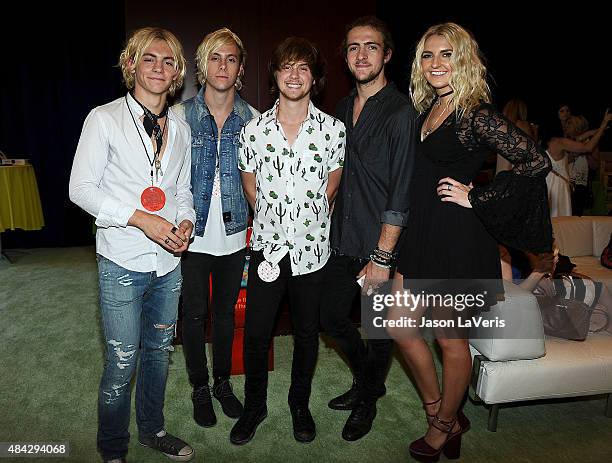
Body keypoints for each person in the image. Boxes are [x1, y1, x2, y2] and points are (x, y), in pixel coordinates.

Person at [389, 23, 552, 462]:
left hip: (459, 238)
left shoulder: (476, 113)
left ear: (463, 61)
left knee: (450, 341)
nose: (435, 64)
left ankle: (442, 426)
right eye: (427, 55)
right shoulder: (427, 110)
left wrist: (477, 196)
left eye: (446, 55)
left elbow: (536, 161)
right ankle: (443, 412)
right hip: (422, 233)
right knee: (398, 325)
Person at [69, 27, 195, 462]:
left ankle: (153, 430)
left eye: (168, 61)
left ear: (177, 72)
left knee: (159, 354)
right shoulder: (103, 118)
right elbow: (80, 189)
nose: (158, 68)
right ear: (131, 65)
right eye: (149, 59)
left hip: (168, 265)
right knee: (123, 362)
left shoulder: (179, 125)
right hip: (121, 260)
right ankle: (112, 448)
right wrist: (141, 218)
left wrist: (185, 221)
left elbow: (182, 188)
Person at [231, 37, 345, 445]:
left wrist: (302, 225)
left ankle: (300, 404)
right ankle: (255, 406)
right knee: (258, 333)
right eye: (286, 67)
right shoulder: (253, 130)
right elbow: (250, 191)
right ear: (275, 74)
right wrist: (277, 224)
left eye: (303, 68)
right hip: (267, 249)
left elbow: (330, 191)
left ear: (314, 77)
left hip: (312, 252)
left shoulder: (334, 130)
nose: (294, 75)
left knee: (306, 333)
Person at [319, 16, 416, 442]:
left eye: (371, 46)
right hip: (342, 239)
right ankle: (368, 381)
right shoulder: (341, 108)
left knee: (379, 332)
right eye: (354, 47)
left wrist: (383, 258)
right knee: (331, 317)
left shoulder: (401, 113)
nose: (361, 54)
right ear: (346, 55)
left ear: (387, 55)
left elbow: (400, 194)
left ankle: (367, 401)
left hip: (380, 246)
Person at [173, 28, 259, 428]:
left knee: (224, 313)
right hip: (191, 233)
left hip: (235, 232)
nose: (223, 66)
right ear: (202, 65)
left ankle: (223, 383)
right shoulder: (179, 116)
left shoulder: (255, 120)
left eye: (231, 59)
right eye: (215, 58)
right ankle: (198, 387)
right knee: (193, 314)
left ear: (240, 68)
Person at [497, 99, 538, 173]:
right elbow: (533, 149)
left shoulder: (501, 128)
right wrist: (535, 131)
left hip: (501, 172)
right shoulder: (522, 125)